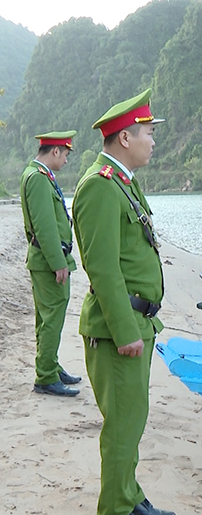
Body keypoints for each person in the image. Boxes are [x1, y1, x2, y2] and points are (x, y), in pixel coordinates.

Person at [73, 89, 176, 515]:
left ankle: (129, 493)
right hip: (120, 328)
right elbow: (103, 268)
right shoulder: (98, 186)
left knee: (133, 416)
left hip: (138, 323)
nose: (154, 141)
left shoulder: (123, 181)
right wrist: (124, 331)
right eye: (149, 133)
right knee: (122, 422)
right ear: (124, 138)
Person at [20, 131, 82, 397]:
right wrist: (58, 262)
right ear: (55, 151)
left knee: (47, 318)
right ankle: (45, 376)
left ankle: (51, 366)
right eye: (65, 154)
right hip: (48, 262)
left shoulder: (38, 175)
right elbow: (43, 227)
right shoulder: (37, 179)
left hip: (46, 259)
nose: (66, 160)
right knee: (52, 318)